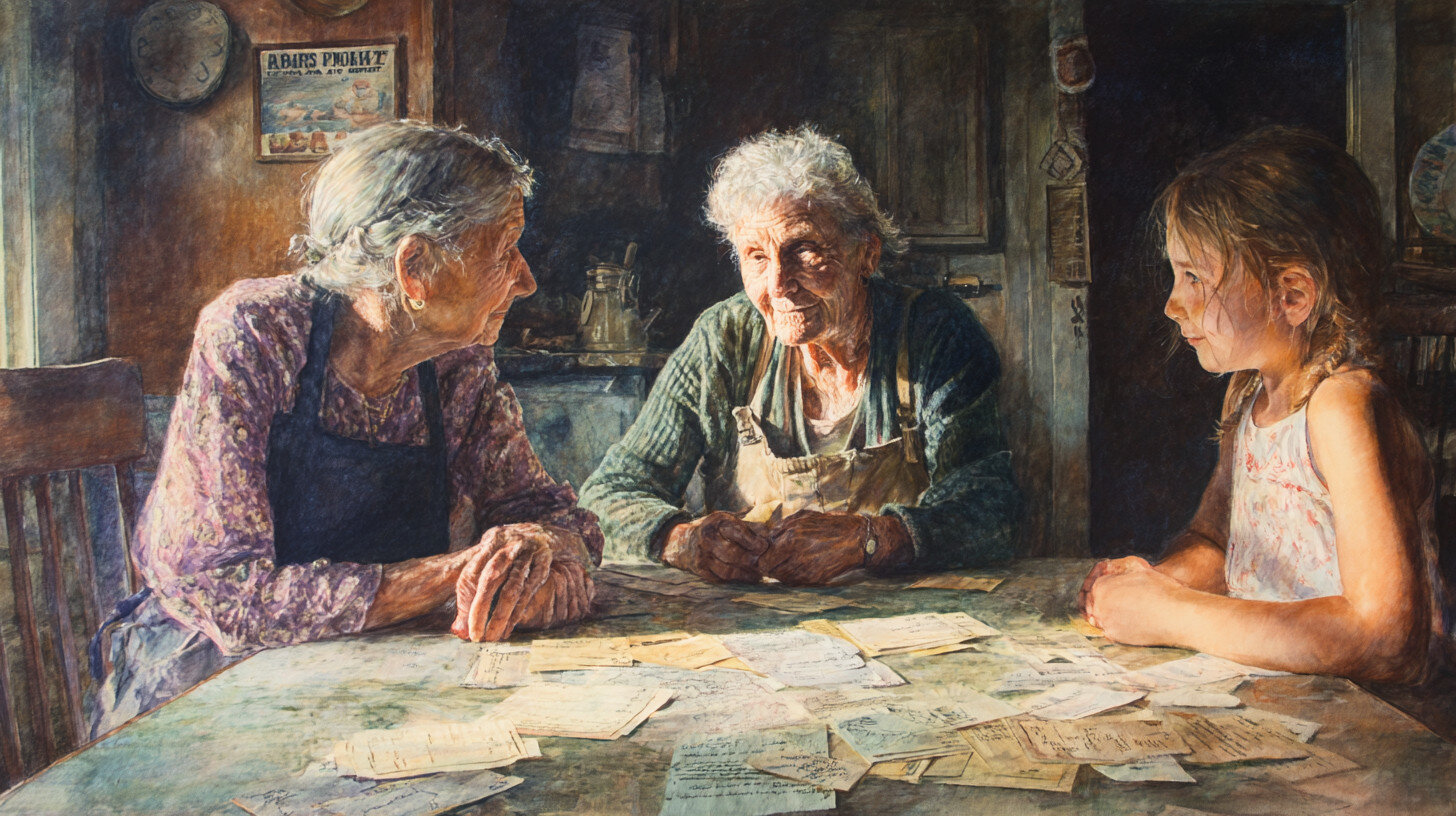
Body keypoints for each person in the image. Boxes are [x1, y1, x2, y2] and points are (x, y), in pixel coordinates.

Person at [90, 121, 602, 735]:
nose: (526, 279)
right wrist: (459, 572)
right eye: (503, 250)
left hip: (369, 672)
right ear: (414, 268)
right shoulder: (255, 333)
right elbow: (225, 592)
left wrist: (538, 555)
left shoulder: (458, 360)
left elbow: (551, 516)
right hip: (213, 682)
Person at [1080, 127, 1451, 684]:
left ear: (1292, 296)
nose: (1172, 304)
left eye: (1194, 277)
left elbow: (1385, 639)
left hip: (1380, 713)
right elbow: (1215, 543)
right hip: (1281, 690)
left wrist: (1171, 613)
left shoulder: (1342, 407)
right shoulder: (1249, 394)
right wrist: (1158, 583)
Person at [579, 127, 1018, 586]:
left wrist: (869, 539)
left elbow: (991, 508)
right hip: (754, 618)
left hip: (913, 617)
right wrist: (681, 539)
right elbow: (605, 496)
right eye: (756, 256)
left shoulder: (936, 333)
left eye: (803, 250)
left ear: (866, 254)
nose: (777, 285)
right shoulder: (726, 336)